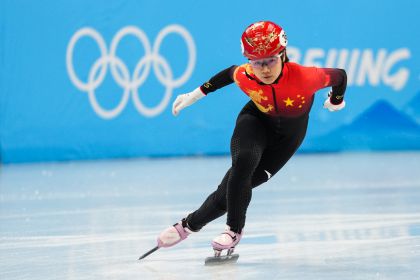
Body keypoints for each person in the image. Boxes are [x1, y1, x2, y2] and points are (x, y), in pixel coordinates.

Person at [156, 20, 347, 255]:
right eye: (257, 63)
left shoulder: (306, 77)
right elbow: (227, 75)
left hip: (286, 139)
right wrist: (194, 95)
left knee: (228, 192)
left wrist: (336, 100)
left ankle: (188, 225)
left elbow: (340, 76)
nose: (264, 69)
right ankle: (233, 230)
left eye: (271, 61)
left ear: (283, 55)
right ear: (250, 62)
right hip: (255, 121)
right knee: (243, 162)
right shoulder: (245, 74)